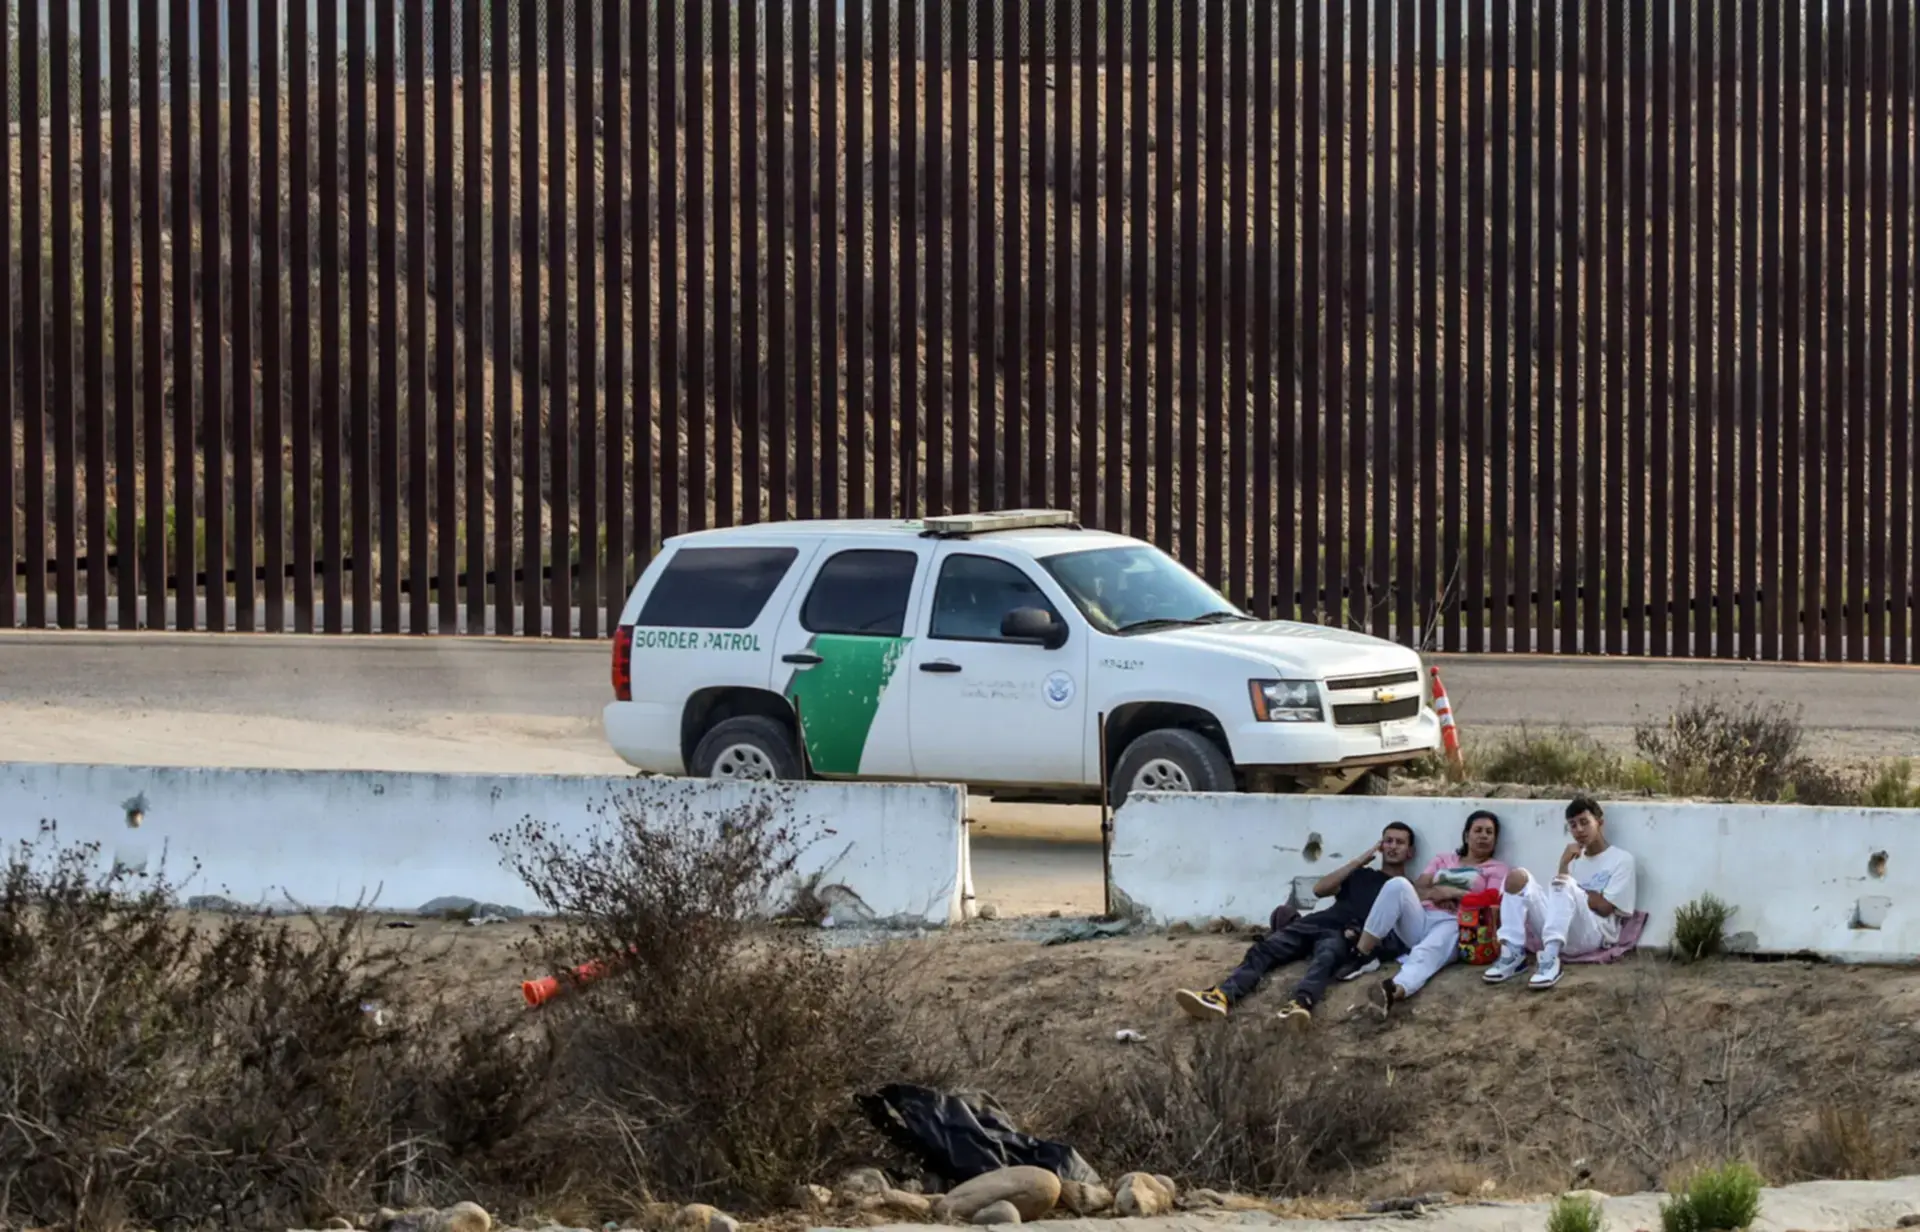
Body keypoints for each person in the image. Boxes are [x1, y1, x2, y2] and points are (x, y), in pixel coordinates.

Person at [1173, 823, 1416, 1030]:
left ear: (1410, 852)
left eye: (1399, 842)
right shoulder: (1362, 875)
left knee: (1326, 957)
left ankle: (1300, 1004)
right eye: (1388, 841)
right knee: (1267, 948)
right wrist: (1361, 860)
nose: (1392, 846)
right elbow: (1320, 890)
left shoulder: (1404, 891)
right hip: (1319, 921)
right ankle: (1222, 996)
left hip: (1345, 934)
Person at [1344, 809, 1511, 1016]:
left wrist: (1453, 893)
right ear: (1467, 836)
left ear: (1495, 839)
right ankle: (1361, 954)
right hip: (1421, 918)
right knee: (1398, 885)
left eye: (1489, 832)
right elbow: (1417, 889)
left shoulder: (1496, 868)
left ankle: (1392, 990)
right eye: (1478, 830)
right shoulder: (1443, 860)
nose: (1484, 836)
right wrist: (1435, 893)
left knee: (1426, 952)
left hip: (1456, 924)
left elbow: (1492, 900)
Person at [1483, 796, 1637, 990]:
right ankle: (1513, 954)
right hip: (1560, 934)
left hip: (1594, 934)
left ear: (1599, 822)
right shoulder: (1574, 859)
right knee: (1516, 877)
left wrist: (1574, 890)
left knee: (1562, 883)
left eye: (1584, 822)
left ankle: (1549, 960)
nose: (1579, 830)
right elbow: (1562, 899)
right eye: (1573, 825)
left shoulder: (1621, 860)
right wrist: (1563, 865)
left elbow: (1605, 908)